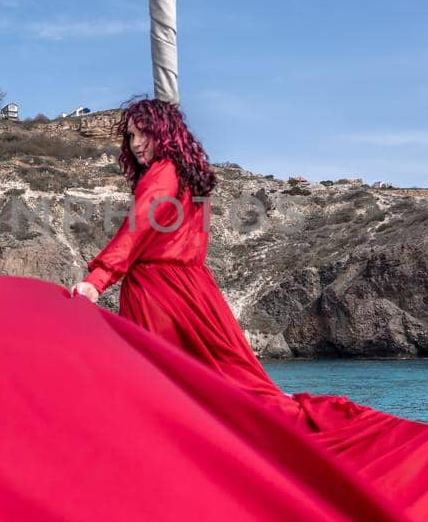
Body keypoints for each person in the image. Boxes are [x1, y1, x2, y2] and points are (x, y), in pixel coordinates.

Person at [71, 97, 278, 395]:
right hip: (195, 290)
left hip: (158, 294)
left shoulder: (162, 174)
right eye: (131, 135)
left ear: (164, 132)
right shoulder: (188, 175)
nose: (136, 143)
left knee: (162, 393)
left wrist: (97, 281)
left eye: (145, 133)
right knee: (224, 389)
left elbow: (136, 229)